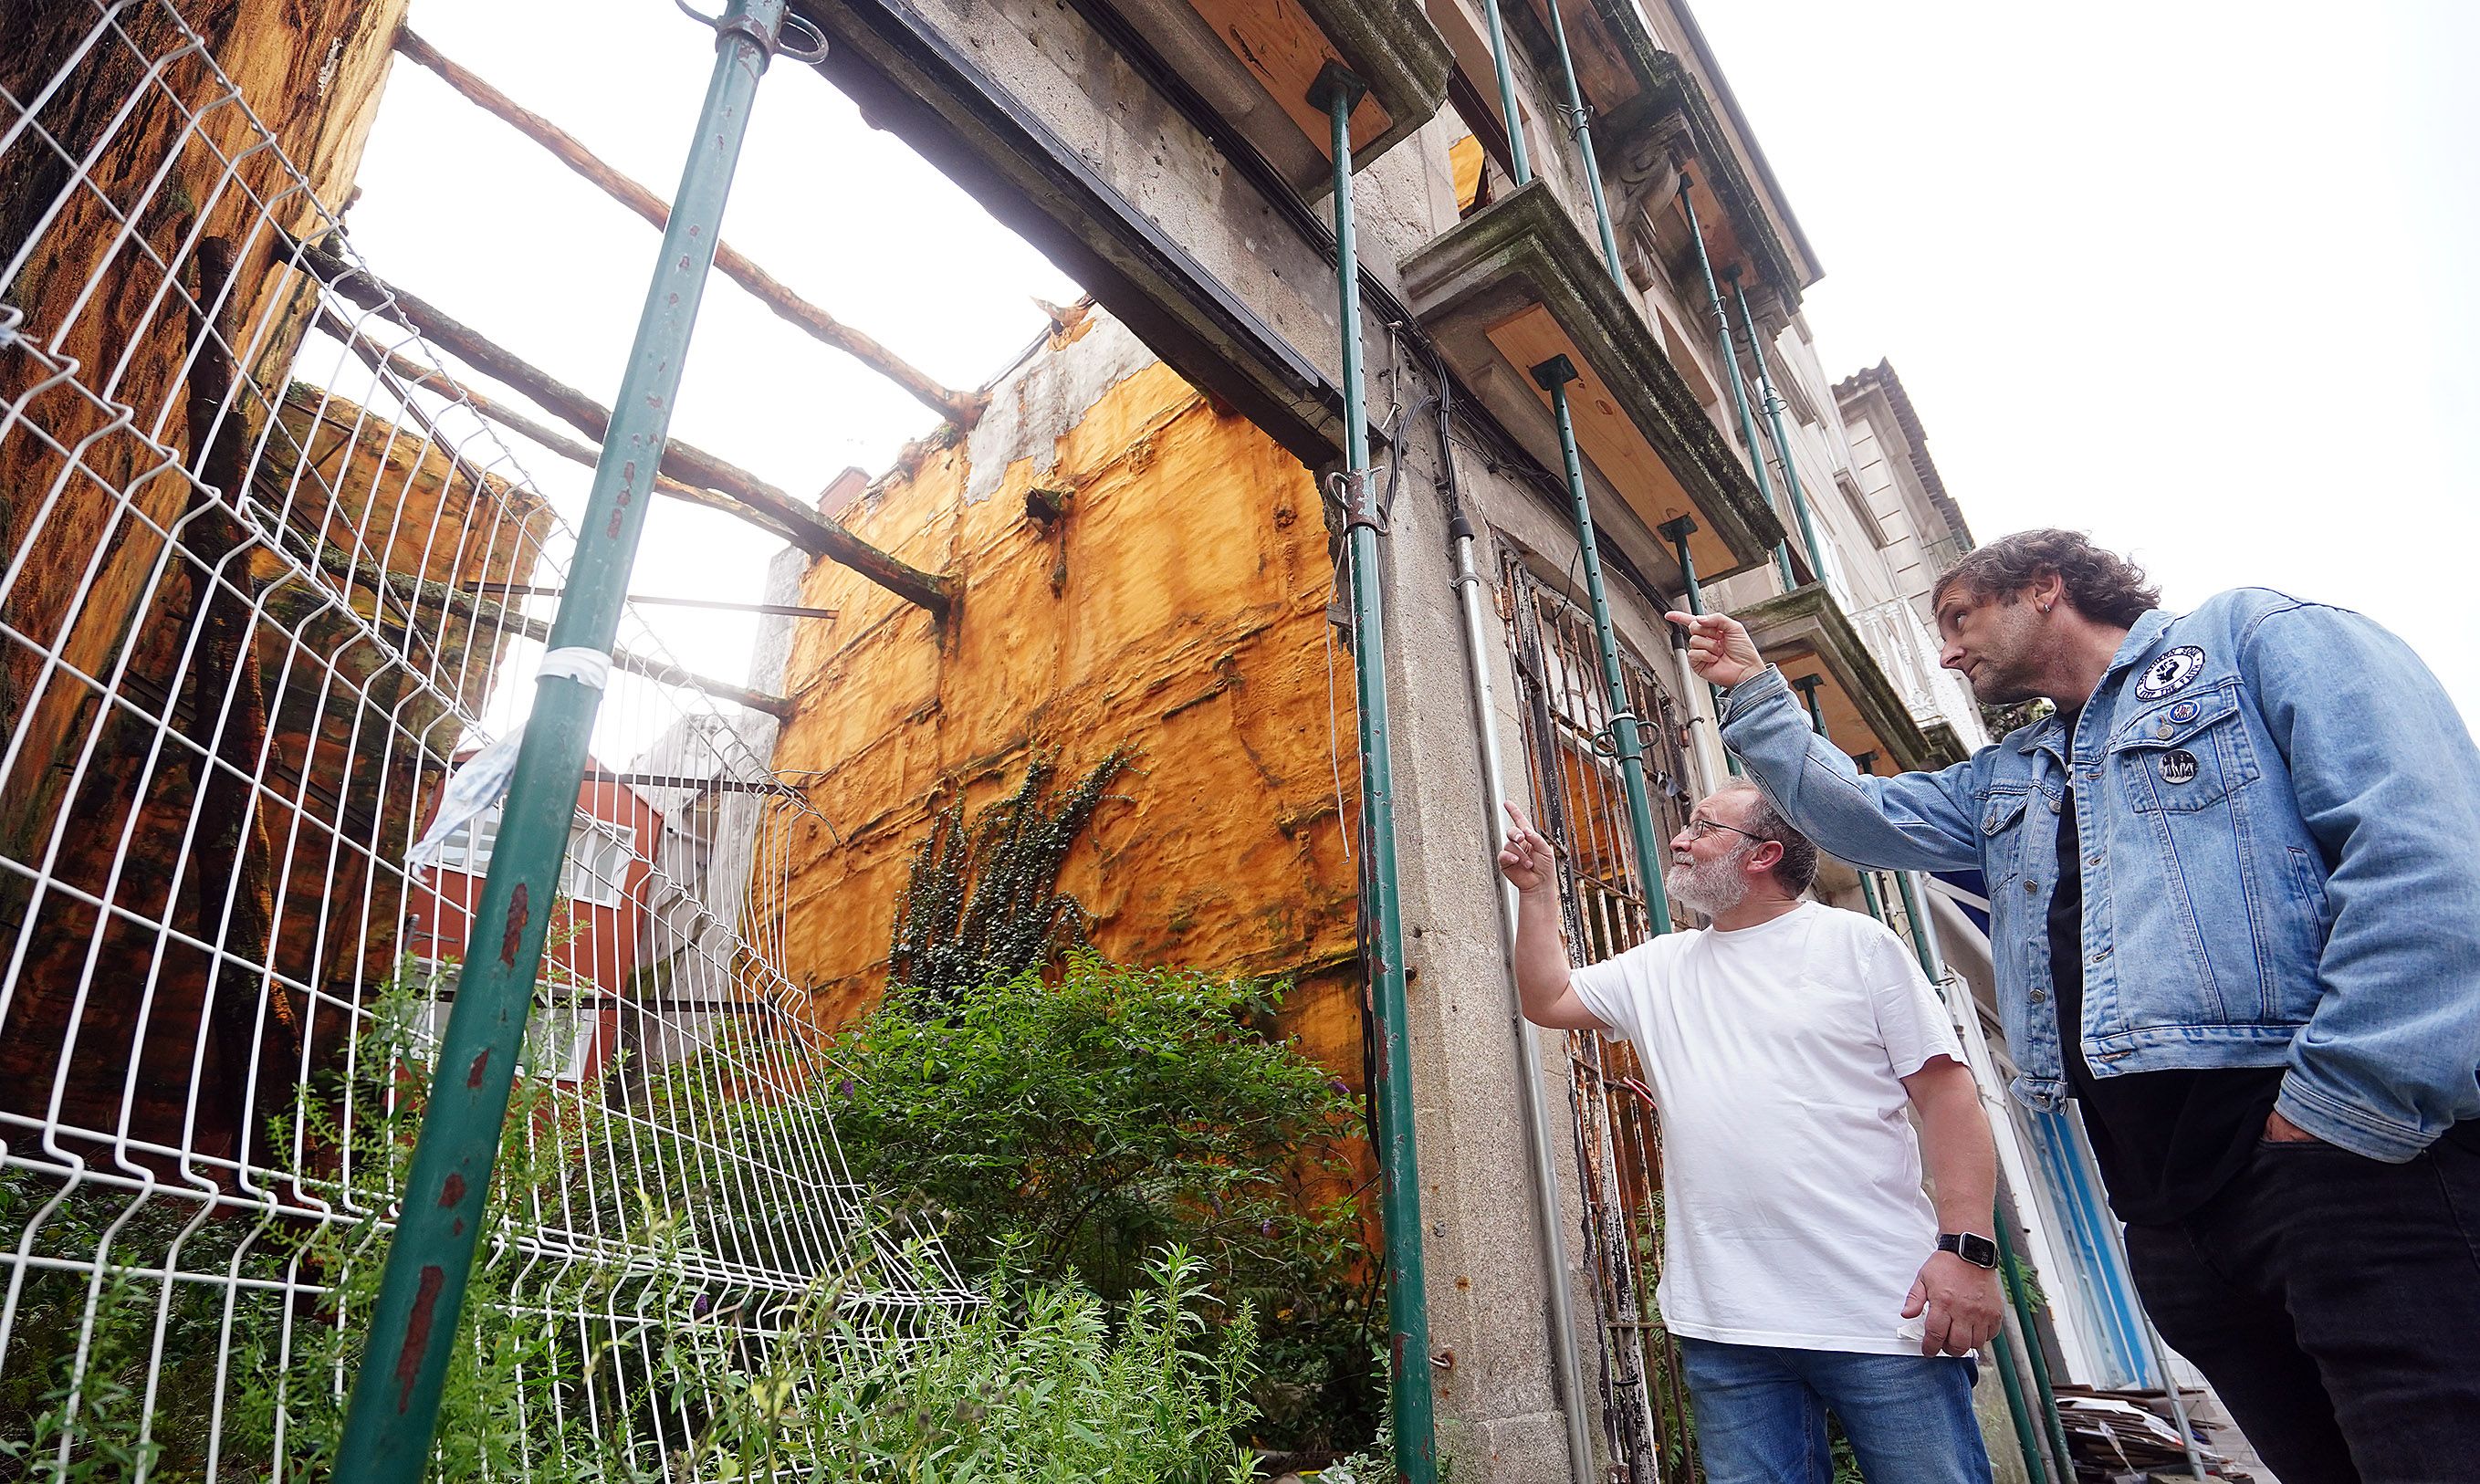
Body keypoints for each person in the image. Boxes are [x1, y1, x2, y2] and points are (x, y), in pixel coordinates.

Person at [1669, 528, 2480, 1484]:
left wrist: (2337, 1110)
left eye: (1958, 619)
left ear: (2044, 586)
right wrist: (1754, 693)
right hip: (2167, 1212)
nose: (1943, 652)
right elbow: (1861, 818)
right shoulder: (2012, 772)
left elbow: (2425, 864)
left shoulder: (2253, 640)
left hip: (2347, 1169)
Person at [1502, 782, 2003, 1484]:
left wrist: (1966, 1252)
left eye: (1702, 828)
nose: (1678, 838)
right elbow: (1548, 999)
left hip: (1880, 1312)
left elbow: (1948, 1097)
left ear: (1764, 854)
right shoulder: (1660, 965)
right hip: (1726, 1325)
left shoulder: (1855, 944)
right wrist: (1536, 893)